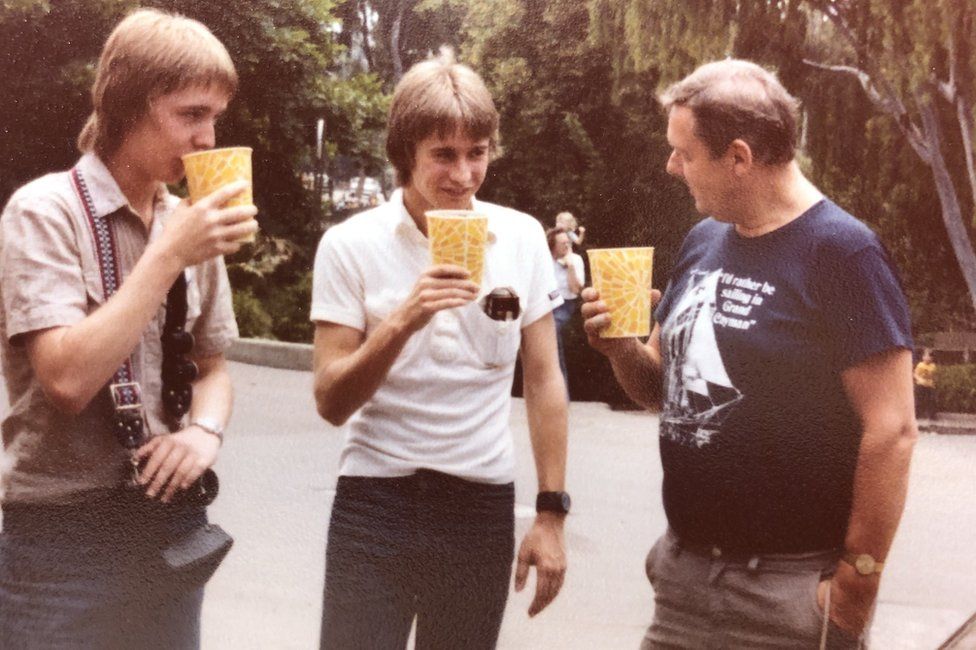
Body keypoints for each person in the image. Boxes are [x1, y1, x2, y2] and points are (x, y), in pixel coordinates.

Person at [581, 59, 916, 649]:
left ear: (739, 157)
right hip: (683, 583)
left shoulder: (844, 254)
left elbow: (893, 432)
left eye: (684, 152)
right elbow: (662, 390)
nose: (671, 165)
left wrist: (853, 593)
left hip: (788, 596)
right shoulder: (705, 239)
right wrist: (620, 349)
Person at [0, 9, 256, 648]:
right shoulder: (45, 211)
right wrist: (169, 252)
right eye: (191, 114)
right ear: (127, 108)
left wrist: (204, 431)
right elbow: (65, 379)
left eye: (215, 116)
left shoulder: (189, 218)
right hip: (62, 537)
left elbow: (213, 363)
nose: (208, 137)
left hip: (168, 519)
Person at [311, 51, 569, 650]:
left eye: (476, 153)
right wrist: (405, 317)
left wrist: (550, 514)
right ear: (406, 154)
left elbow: (544, 379)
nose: (463, 174)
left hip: (478, 503)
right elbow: (329, 399)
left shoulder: (522, 236)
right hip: (376, 499)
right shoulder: (350, 245)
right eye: (443, 155)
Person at [547, 226, 585, 389]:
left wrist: (570, 268)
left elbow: (576, 290)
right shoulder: (545, 260)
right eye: (563, 243)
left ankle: (560, 387)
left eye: (568, 242)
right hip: (545, 304)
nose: (567, 245)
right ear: (552, 245)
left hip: (565, 305)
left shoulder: (575, 260)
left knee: (552, 330)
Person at [913, 348, 938, 422]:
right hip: (920, 384)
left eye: (929, 357)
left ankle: (932, 415)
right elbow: (915, 374)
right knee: (918, 399)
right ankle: (917, 414)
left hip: (930, 385)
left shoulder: (933, 366)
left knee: (931, 400)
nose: (927, 358)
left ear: (932, 358)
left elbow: (933, 375)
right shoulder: (920, 365)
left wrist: (934, 382)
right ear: (923, 357)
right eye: (926, 356)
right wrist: (918, 379)